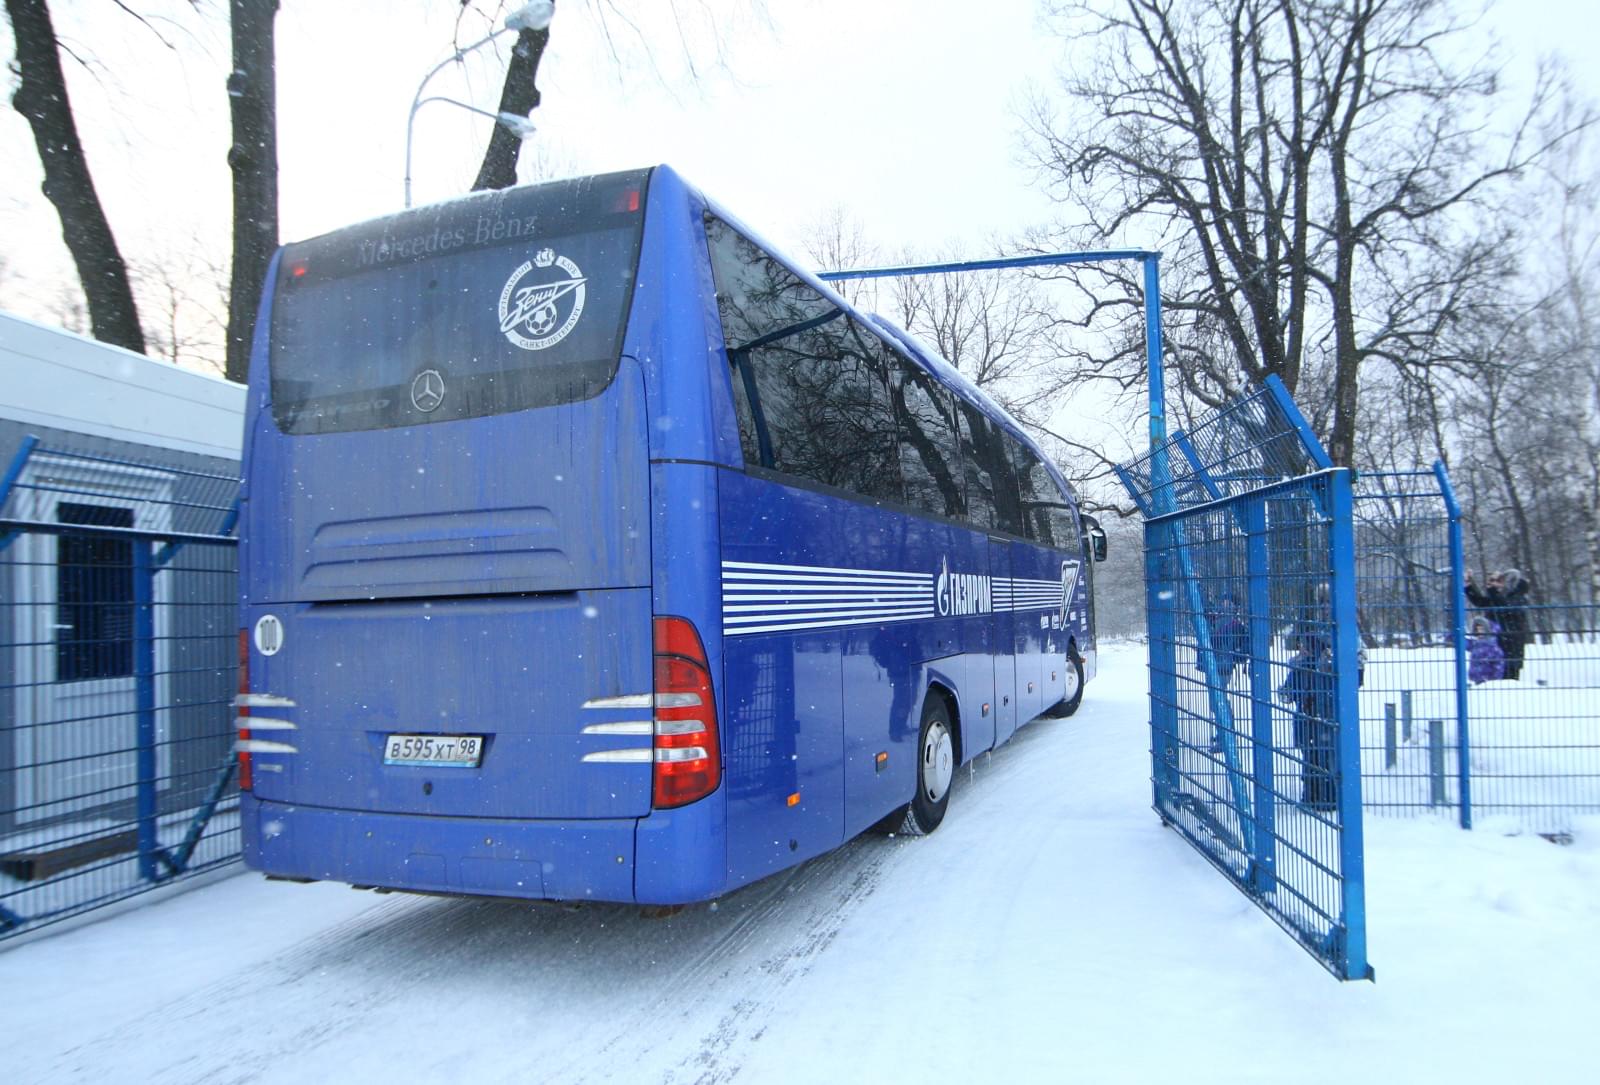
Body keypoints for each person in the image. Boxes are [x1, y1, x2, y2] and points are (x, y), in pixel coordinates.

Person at [1278, 634, 1336, 812]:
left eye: (1305, 646)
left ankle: (1314, 796)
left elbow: (1287, 695)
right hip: (1323, 722)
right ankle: (1326, 797)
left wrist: (1286, 691)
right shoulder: (1327, 668)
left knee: (1312, 760)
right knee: (1323, 759)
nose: (1301, 648)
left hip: (1308, 721)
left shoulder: (1301, 668)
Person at [1466, 568, 1532, 680]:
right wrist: (1469, 586)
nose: (1498, 584)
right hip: (1495, 649)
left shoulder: (1519, 599)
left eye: (1500, 581)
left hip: (1510, 650)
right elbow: (1481, 601)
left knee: (1507, 682)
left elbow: (1504, 606)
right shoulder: (1500, 598)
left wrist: (1493, 590)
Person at [1467, 616, 1505, 684]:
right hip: (1475, 680)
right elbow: (1464, 643)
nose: (1479, 631)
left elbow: (1499, 667)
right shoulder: (1476, 644)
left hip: (1488, 682)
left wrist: (1494, 681)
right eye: (1477, 629)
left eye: (1482, 629)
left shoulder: (1493, 648)